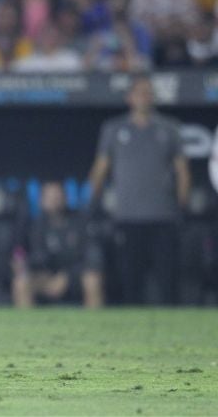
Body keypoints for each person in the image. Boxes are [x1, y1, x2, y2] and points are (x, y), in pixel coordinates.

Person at [87, 75, 191, 304]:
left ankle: (171, 333)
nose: (145, 96)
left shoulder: (169, 128)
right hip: (127, 218)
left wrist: (181, 204)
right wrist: (93, 200)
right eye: (140, 92)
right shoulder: (113, 129)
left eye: (149, 92)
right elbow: (100, 169)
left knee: (168, 285)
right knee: (131, 285)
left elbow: (182, 171)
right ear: (129, 98)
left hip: (163, 217)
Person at [11, 181, 104, 308]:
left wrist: (67, 276)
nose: (54, 199)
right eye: (49, 196)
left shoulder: (79, 222)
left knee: (92, 279)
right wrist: (23, 264)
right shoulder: (36, 226)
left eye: (57, 195)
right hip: (48, 276)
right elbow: (29, 254)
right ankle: (26, 326)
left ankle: (95, 324)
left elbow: (93, 258)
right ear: (41, 201)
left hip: (75, 276)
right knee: (21, 282)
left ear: (66, 198)